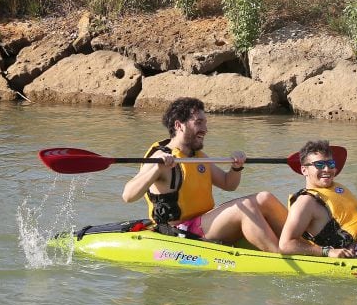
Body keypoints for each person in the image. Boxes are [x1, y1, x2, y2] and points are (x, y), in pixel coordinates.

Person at [121, 97, 288, 253]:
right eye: (199, 123)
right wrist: (156, 169)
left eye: (205, 123)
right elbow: (128, 196)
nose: (205, 129)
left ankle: (300, 242)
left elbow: (228, 184)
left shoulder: (198, 157)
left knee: (265, 198)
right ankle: (280, 257)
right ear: (179, 125)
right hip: (179, 231)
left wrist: (236, 167)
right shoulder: (159, 158)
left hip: (202, 221)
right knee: (246, 209)